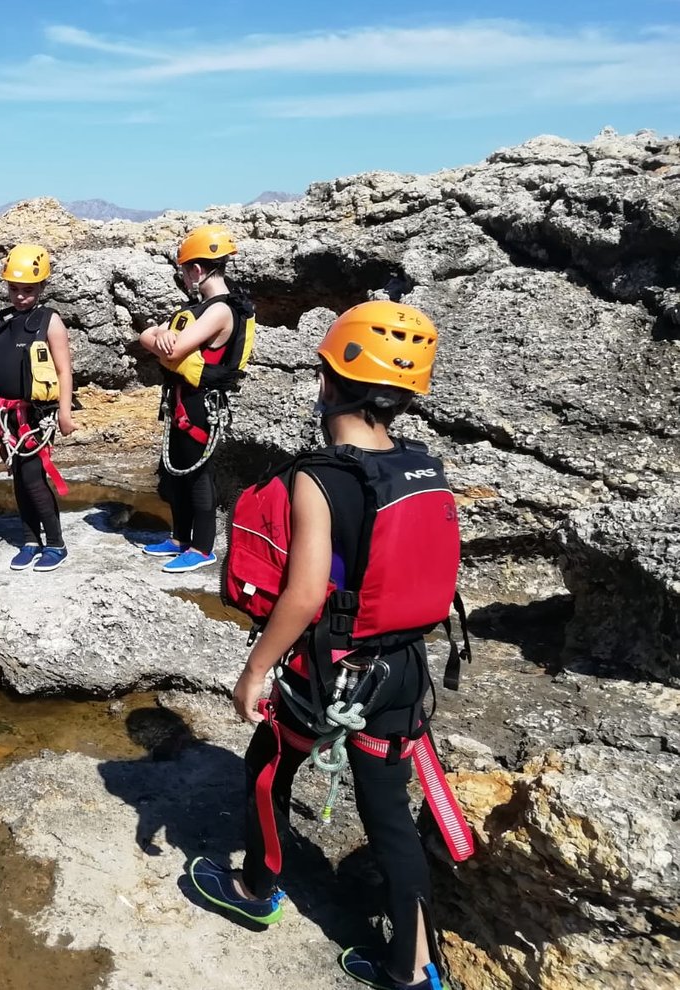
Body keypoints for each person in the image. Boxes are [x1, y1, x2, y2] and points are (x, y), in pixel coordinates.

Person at [192, 301, 470, 990]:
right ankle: (412, 970)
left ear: (328, 379)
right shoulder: (423, 466)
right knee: (389, 818)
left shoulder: (322, 477)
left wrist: (256, 670)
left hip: (335, 673)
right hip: (403, 672)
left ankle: (257, 891)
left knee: (267, 764)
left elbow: (307, 593)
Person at [137, 225, 254, 574]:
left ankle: (203, 547)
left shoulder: (220, 311)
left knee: (198, 476)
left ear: (197, 270)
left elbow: (174, 351)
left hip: (202, 406)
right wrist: (156, 334)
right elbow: (151, 338)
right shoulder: (200, 308)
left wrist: (159, 337)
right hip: (183, 401)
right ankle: (179, 538)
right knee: (177, 474)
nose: (186, 277)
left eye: (186, 270)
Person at [0, 244, 75, 572]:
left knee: (34, 478)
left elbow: (64, 370)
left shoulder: (50, 322)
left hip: (34, 417)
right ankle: (30, 539)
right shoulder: (2, 321)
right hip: (7, 417)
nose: (20, 296)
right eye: (14, 289)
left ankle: (56, 544)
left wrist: (64, 412)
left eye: (28, 290)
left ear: (42, 287)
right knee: (19, 479)